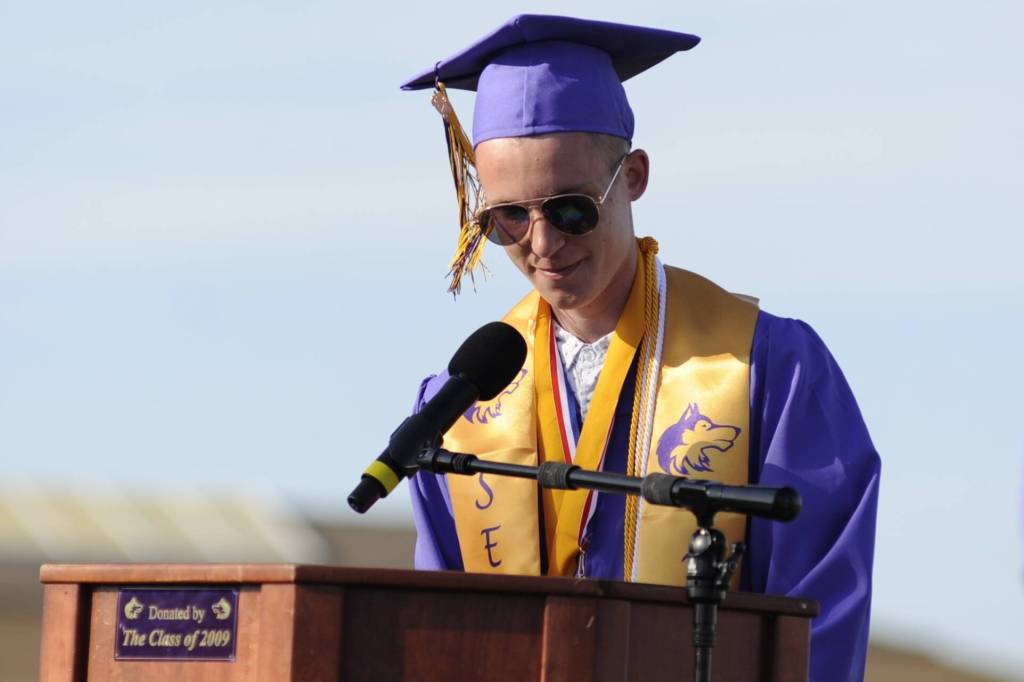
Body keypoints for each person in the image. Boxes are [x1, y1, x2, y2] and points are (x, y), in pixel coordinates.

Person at [397, 15, 880, 682]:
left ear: (633, 177)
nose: (541, 244)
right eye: (507, 218)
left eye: (570, 209)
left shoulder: (768, 369)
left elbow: (818, 620)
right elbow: (445, 638)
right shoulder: (461, 405)